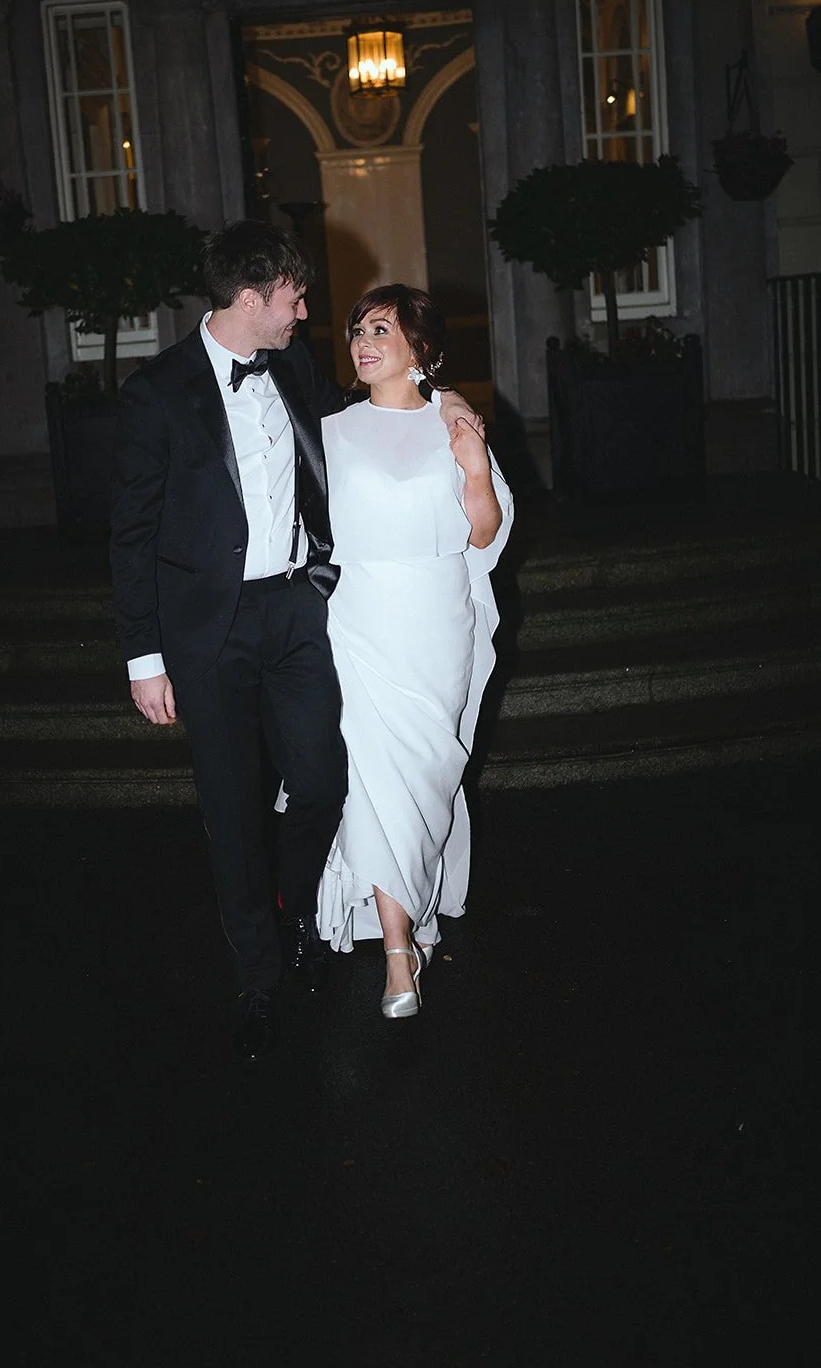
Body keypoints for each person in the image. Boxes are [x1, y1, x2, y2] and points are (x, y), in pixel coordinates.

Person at [110, 223, 480, 1060]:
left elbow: (361, 427)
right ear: (252, 298)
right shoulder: (157, 394)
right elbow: (129, 535)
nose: (305, 310)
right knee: (234, 810)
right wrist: (144, 658)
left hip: (298, 615)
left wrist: (442, 399)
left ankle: (306, 913)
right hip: (207, 634)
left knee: (318, 784)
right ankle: (258, 979)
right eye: (293, 297)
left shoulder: (293, 365)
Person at [315, 284, 513, 1017]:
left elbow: (484, 533)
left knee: (427, 779)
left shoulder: (449, 422)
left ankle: (413, 916)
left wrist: (471, 463)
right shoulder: (330, 431)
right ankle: (398, 951)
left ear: (421, 350)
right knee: (373, 780)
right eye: (356, 330)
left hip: (436, 619)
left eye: (380, 330)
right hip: (358, 618)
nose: (362, 343)